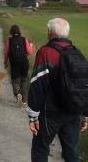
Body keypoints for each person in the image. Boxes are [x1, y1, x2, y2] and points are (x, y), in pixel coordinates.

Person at [27, 17, 88, 162]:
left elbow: (37, 85)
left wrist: (33, 116)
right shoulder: (78, 53)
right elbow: (84, 86)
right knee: (71, 151)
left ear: (50, 32)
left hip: (51, 114)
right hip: (74, 112)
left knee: (40, 148)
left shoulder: (46, 52)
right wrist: (85, 114)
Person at [4, 24, 33, 106]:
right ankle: (24, 100)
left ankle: (18, 95)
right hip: (24, 62)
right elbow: (29, 52)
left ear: (11, 32)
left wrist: (5, 62)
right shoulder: (24, 39)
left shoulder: (9, 40)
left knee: (15, 81)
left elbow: (6, 53)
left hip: (14, 63)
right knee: (23, 81)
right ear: (19, 31)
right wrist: (31, 46)